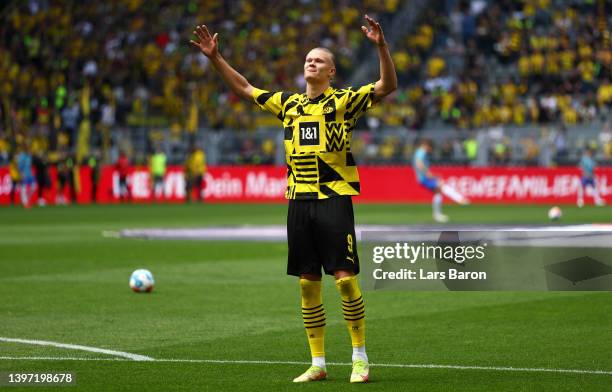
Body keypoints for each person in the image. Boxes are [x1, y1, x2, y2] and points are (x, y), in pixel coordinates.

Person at [191, 14, 397, 383]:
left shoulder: (345, 102)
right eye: (307, 60)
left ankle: (360, 359)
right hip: (298, 200)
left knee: (345, 279)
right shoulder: (288, 104)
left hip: (334, 196)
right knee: (307, 282)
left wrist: (381, 46)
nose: (310, 63)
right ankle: (318, 363)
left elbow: (387, 85)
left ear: (331, 72)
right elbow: (246, 89)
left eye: (318, 60)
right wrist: (215, 58)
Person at [413, 139, 469, 223]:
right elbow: (419, 163)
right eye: (430, 148)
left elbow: (418, 163)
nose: (429, 150)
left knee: (438, 191)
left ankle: (437, 215)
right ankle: (460, 199)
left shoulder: (418, 152)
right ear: (426, 146)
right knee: (441, 185)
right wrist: (427, 173)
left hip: (423, 178)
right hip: (424, 178)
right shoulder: (421, 152)